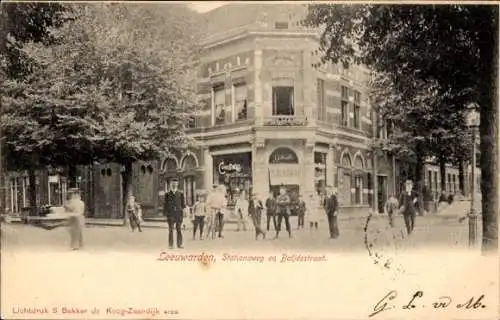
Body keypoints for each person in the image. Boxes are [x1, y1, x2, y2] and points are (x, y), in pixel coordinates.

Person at [164, 178, 186, 249]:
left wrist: (184, 213)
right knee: (170, 230)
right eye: (172, 183)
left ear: (177, 184)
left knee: (179, 229)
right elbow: (165, 204)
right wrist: (166, 214)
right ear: (170, 184)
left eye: (175, 183)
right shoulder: (167, 194)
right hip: (170, 215)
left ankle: (179, 244)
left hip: (178, 214)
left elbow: (183, 205)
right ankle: (170, 245)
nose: (174, 185)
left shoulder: (180, 194)